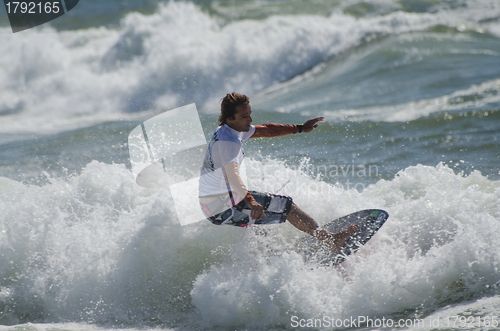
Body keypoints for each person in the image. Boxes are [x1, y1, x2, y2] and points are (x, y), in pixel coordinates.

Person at [198, 92, 357, 253]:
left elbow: (267, 130)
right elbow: (231, 175)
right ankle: (331, 240)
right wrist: (251, 200)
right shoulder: (229, 143)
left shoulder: (230, 129)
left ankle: (271, 259)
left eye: (250, 114)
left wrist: (300, 128)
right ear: (230, 119)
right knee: (287, 206)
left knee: (260, 216)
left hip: (213, 204)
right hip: (222, 204)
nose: (250, 120)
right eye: (245, 116)